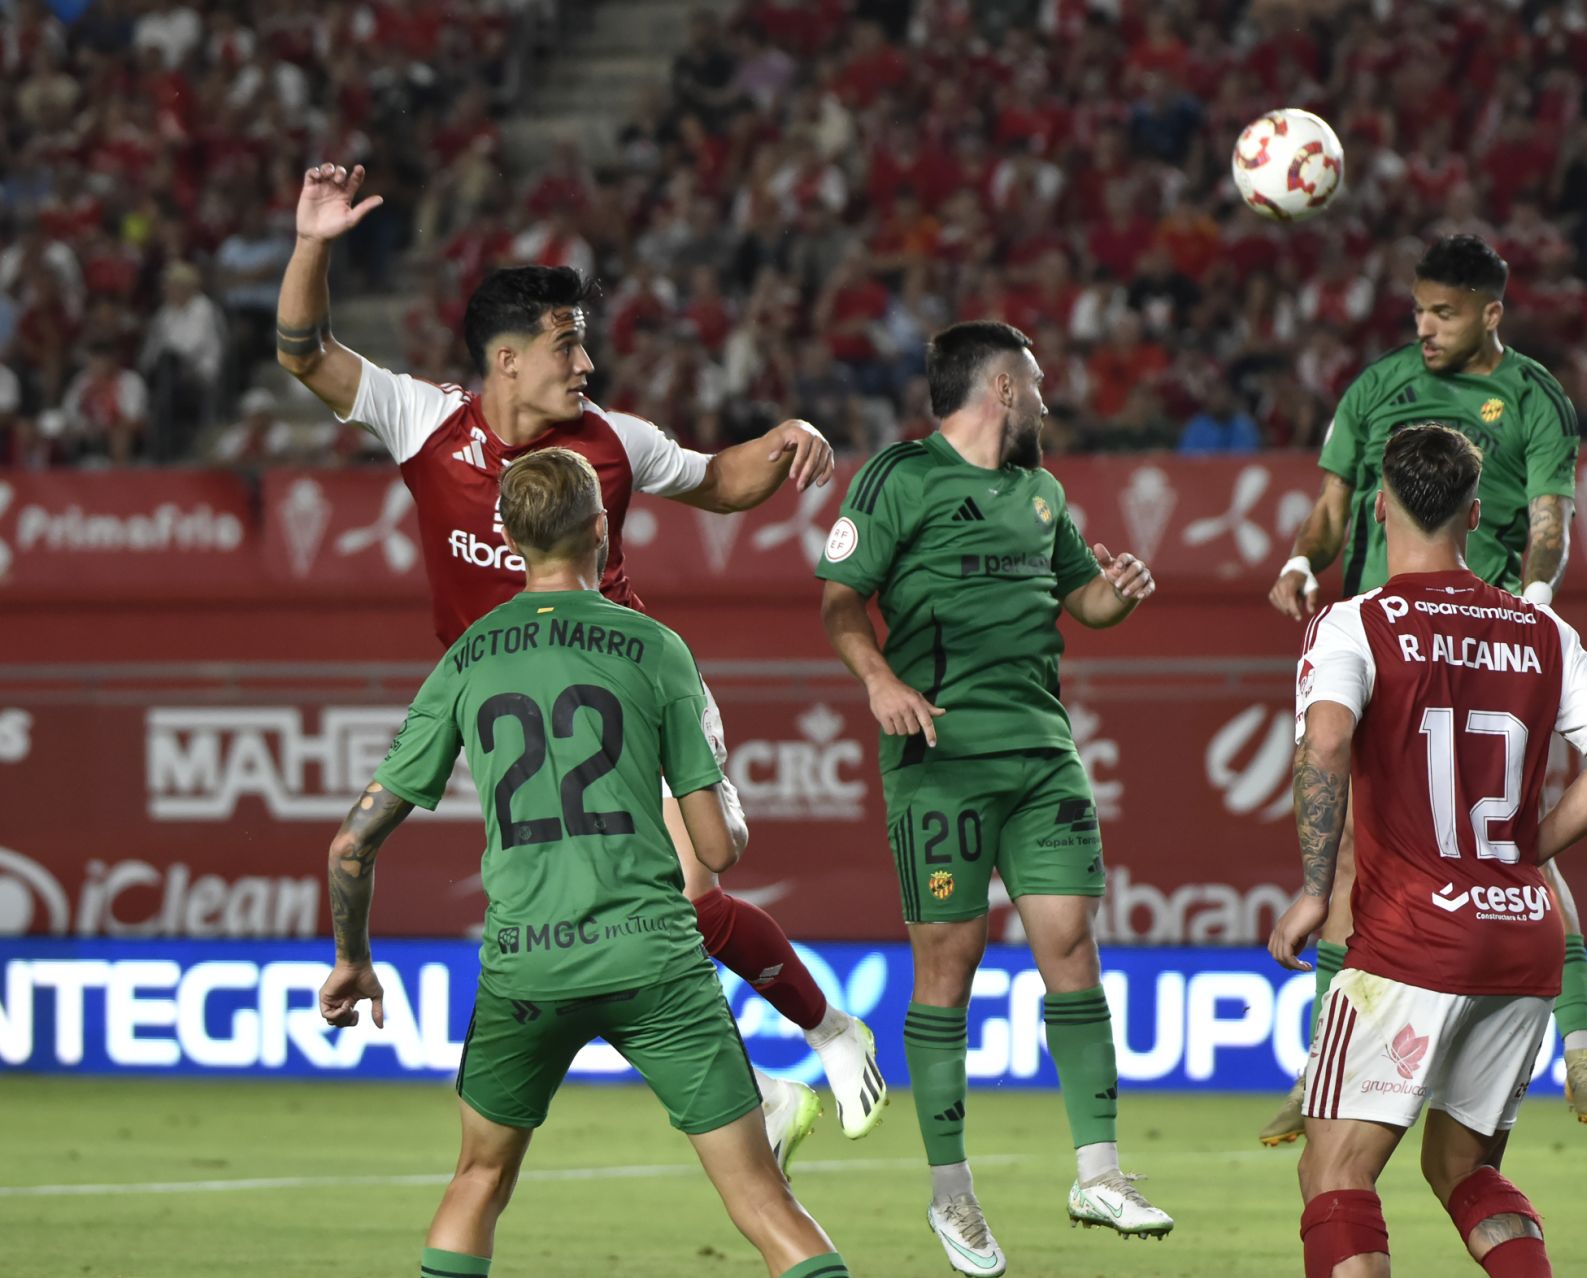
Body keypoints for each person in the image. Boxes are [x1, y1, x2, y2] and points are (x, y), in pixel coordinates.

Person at [276, 162, 883, 1165]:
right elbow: (303, 350)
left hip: (620, 693)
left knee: (685, 897)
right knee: (603, 929)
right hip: (512, 707)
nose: (587, 362)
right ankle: (768, 1092)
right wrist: (311, 243)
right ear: (506, 360)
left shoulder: (613, 440)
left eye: (585, 341)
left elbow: (719, 482)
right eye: (568, 343)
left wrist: (787, 440)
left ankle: (828, 1033)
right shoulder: (423, 419)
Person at [316, 448, 852, 1278]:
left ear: (507, 536)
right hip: (653, 962)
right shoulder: (655, 648)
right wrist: (723, 810)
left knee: (478, 1180)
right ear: (602, 528)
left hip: (526, 966)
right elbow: (715, 849)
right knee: (760, 1199)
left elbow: (351, 844)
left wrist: (353, 957)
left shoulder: (468, 657)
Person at [817, 321, 1171, 1276]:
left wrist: (1118, 591)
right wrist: (881, 682)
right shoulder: (899, 478)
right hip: (941, 753)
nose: (1049, 402)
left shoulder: (1043, 494)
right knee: (950, 962)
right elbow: (841, 599)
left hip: (1042, 752)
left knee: (1071, 943)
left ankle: (1098, 1173)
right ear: (1005, 388)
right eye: (1039, 384)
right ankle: (952, 1194)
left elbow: (1083, 602)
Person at [1263, 234, 1587, 1144]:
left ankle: (1580, 1042)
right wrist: (1302, 560)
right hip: (1384, 643)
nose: (1425, 327)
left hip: (1478, 637)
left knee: (1501, 839)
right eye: (1419, 309)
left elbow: (1550, 521)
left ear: (1491, 313)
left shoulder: (1534, 397)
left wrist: (1534, 600)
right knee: (1357, 848)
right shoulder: (1376, 388)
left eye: (1445, 313)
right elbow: (1332, 509)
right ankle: (1326, 1057)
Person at [1269, 423, 1587, 1278]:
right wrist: (1522, 851)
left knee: (1334, 1173)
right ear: (1476, 514)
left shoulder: (1354, 624)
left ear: (1378, 507)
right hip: (1522, 938)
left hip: (1411, 937)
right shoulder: (1541, 629)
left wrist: (1314, 890)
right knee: (1463, 1168)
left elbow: (1324, 746)